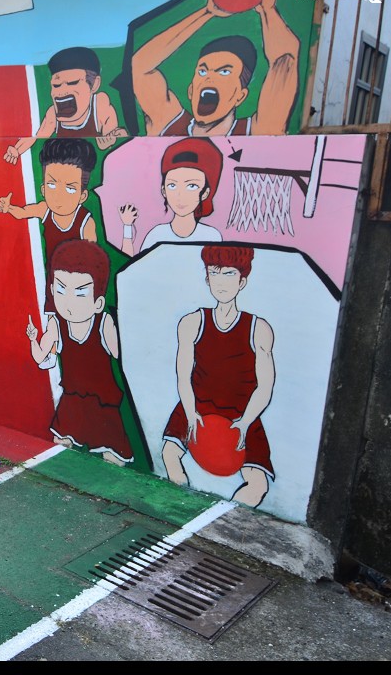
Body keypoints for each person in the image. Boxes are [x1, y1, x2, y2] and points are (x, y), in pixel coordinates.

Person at [162, 245, 275, 507]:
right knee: (170, 453)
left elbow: (265, 387)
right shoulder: (192, 323)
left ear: (242, 280)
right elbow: (183, 376)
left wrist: (245, 423)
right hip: (197, 406)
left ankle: (220, 522)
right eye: (215, 273)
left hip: (241, 414)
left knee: (258, 485)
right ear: (206, 278)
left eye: (229, 274)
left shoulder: (259, 329)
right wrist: (190, 413)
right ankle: (182, 509)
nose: (221, 281)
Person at [131, 0, 299, 137]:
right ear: (191, 90)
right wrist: (207, 12)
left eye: (224, 72)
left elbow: (285, 61)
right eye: (202, 72)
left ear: (241, 95)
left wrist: (267, 10)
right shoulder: (168, 123)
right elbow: (140, 67)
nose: (209, 77)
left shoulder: (256, 130)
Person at [25, 239, 131, 465]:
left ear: (98, 302)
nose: (69, 301)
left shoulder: (104, 323)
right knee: (61, 444)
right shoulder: (57, 324)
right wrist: (34, 339)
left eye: (80, 293)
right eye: (61, 289)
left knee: (113, 457)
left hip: (103, 402)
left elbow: (123, 356)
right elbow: (40, 356)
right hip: (72, 398)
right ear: (52, 290)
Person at [0, 138, 100, 333]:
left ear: (82, 196)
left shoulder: (85, 221)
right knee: (53, 319)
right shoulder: (45, 209)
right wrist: (9, 208)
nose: (59, 195)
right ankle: (53, 347)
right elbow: (23, 212)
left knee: (75, 323)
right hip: (54, 278)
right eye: (52, 185)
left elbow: (92, 258)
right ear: (43, 188)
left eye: (70, 188)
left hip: (75, 281)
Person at [4, 46, 128, 164]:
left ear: (94, 85)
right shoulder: (53, 114)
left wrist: (110, 141)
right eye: (56, 85)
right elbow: (37, 137)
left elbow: (117, 137)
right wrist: (17, 150)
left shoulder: (100, 106)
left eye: (73, 83)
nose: (62, 91)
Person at [118, 137, 223, 255]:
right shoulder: (157, 234)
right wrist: (127, 227)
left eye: (191, 186)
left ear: (205, 193)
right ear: (164, 191)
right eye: (172, 185)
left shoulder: (211, 236)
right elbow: (133, 267)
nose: (180, 195)